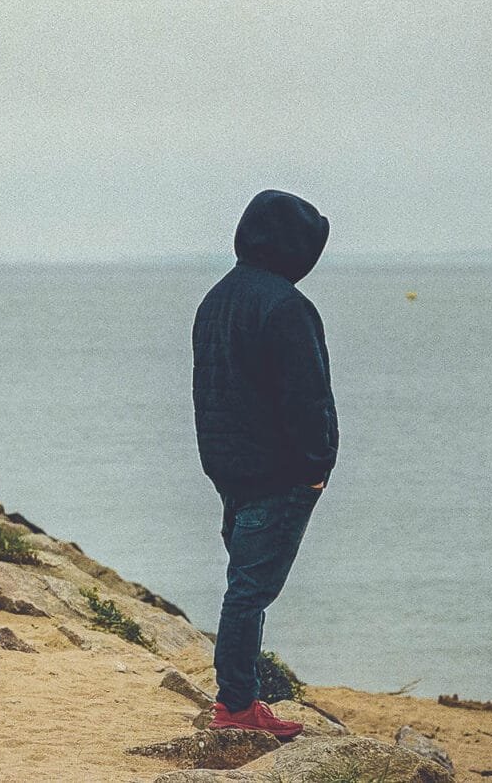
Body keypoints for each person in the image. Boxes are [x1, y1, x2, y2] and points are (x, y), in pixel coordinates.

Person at [192, 189, 338, 738]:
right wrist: (316, 465)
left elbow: (210, 390)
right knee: (250, 590)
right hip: (277, 473)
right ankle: (235, 706)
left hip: (230, 468)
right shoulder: (286, 307)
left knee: (245, 584)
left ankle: (239, 698)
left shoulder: (217, 299)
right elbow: (306, 398)